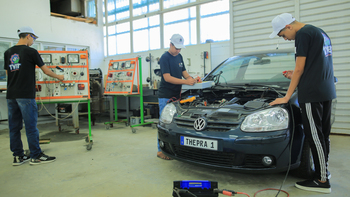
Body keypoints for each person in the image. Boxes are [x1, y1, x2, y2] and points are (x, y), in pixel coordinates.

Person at [269, 13, 336, 193]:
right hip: (325, 89)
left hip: (312, 93)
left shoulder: (303, 34)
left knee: (314, 136)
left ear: (289, 26)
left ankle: (322, 181)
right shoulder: (319, 32)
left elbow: (300, 68)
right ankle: (323, 172)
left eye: (282, 35)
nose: (285, 39)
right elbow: (316, 64)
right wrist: (296, 73)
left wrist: (286, 96)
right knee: (323, 135)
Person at [4, 26, 64, 166]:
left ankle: (18, 157)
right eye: (34, 38)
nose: (33, 41)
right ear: (28, 36)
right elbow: (46, 71)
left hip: (11, 95)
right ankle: (36, 156)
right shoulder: (31, 52)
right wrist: (59, 77)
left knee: (14, 127)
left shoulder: (8, 52)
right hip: (25, 95)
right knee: (31, 126)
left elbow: (8, 74)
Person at [157, 34, 196, 160]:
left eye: (180, 48)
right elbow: (167, 77)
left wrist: (193, 79)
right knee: (164, 123)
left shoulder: (179, 56)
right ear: (170, 45)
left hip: (176, 96)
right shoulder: (164, 58)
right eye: (176, 48)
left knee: (176, 123)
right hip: (166, 96)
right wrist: (186, 82)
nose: (178, 50)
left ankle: (174, 148)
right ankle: (160, 150)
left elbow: (184, 73)